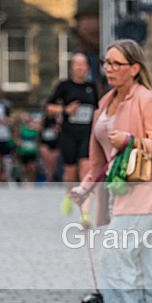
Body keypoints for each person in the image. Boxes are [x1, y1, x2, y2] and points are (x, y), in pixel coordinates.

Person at [70, 39, 152, 303]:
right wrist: (85, 187)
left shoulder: (149, 100)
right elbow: (97, 156)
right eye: (106, 63)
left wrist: (131, 140)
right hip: (118, 196)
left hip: (146, 193)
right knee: (142, 269)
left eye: (117, 64)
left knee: (113, 259)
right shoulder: (104, 103)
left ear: (135, 68)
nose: (109, 69)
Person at [47, 53, 99, 226]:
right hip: (69, 134)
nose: (80, 68)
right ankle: (69, 194)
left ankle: (85, 214)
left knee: (86, 172)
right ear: (72, 67)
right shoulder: (64, 86)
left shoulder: (93, 87)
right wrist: (65, 109)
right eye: (76, 64)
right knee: (71, 173)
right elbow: (48, 106)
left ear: (88, 67)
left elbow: (99, 110)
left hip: (87, 134)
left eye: (83, 64)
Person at [40, 112, 61, 183]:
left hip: (55, 144)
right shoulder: (44, 120)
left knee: (54, 163)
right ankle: (49, 177)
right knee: (47, 163)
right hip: (46, 144)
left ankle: (52, 176)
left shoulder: (57, 119)